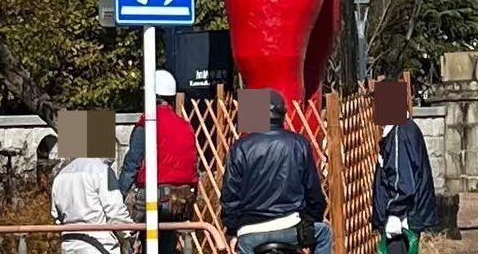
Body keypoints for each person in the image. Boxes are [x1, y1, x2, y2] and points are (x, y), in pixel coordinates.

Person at [220, 89, 332, 254]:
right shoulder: (299, 144)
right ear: (283, 115)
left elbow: (229, 197)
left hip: (250, 233)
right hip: (289, 227)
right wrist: (311, 218)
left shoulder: (240, 147)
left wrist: (233, 230)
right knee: (324, 234)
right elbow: (313, 192)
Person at [118, 70, 198, 254]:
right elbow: (194, 166)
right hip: (181, 197)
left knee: (128, 236)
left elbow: (132, 163)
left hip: (153, 196)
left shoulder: (147, 124)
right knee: (167, 243)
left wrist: (119, 195)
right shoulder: (186, 126)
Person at [371, 114, 438, 254]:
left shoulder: (398, 134)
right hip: (410, 217)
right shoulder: (408, 128)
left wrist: (394, 213)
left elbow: (401, 179)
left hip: (402, 222)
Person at [51, 154, 133, 254]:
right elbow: (115, 212)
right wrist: (131, 235)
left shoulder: (61, 174)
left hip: (68, 243)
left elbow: (56, 215)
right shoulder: (103, 171)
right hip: (97, 243)